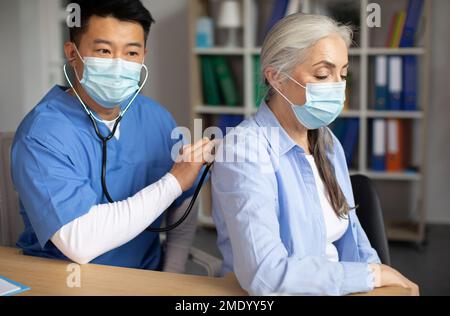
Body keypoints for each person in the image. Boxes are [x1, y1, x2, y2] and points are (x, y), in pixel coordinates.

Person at [211, 13, 419, 296]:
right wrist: (372, 275)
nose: (338, 87)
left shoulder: (327, 141)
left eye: (343, 74)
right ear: (277, 78)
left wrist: (380, 279)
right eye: (323, 74)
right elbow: (267, 274)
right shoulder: (243, 152)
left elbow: (355, 242)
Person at [11, 0, 214, 273]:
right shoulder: (42, 135)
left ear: (144, 56)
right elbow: (78, 241)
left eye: (131, 53)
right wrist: (173, 182)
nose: (119, 65)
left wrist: (172, 274)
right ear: (73, 54)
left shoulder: (157, 118)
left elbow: (185, 199)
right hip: (66, 281)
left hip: (146, 279)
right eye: (104, 51)